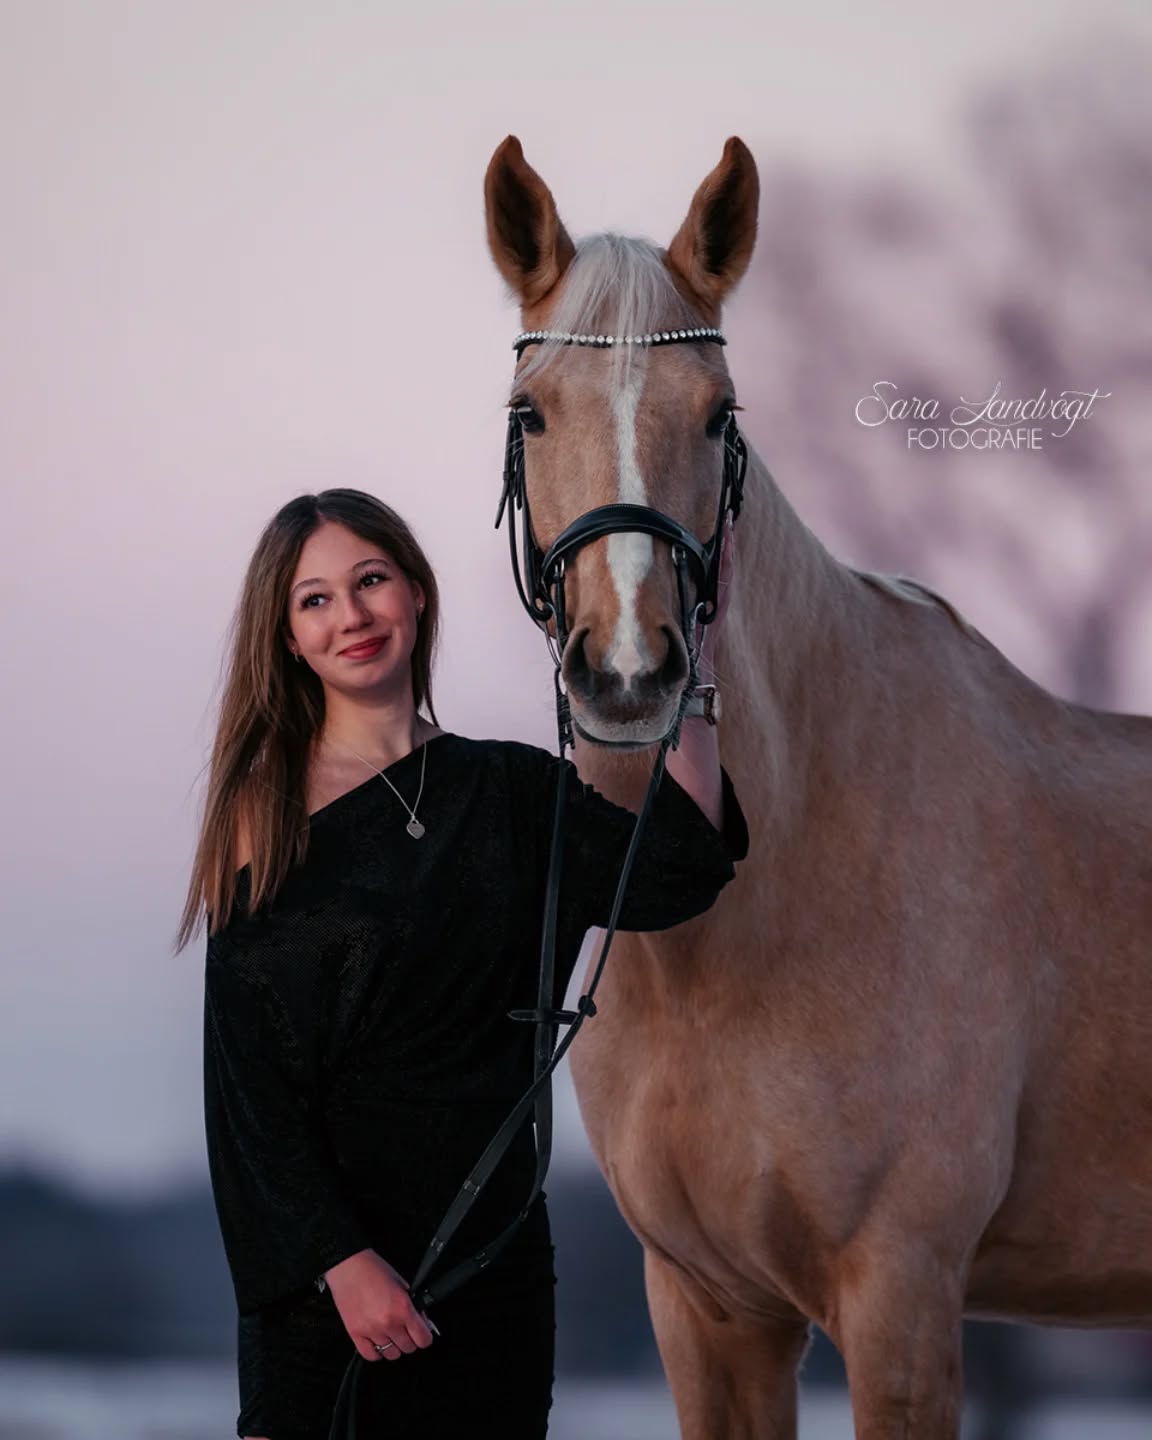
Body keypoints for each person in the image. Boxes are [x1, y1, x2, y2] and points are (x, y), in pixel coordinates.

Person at [174, 487, 749, 1440]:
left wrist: (690, 658)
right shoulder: (261, 817)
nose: (350, 616)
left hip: (494, 1274)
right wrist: (342, 1264)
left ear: (417, 594)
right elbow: (249, 1094)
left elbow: (680, 865)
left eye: (370, 581)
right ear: (285, 637)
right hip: (329, 1297)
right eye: (314, 600)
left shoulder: (511, 791)